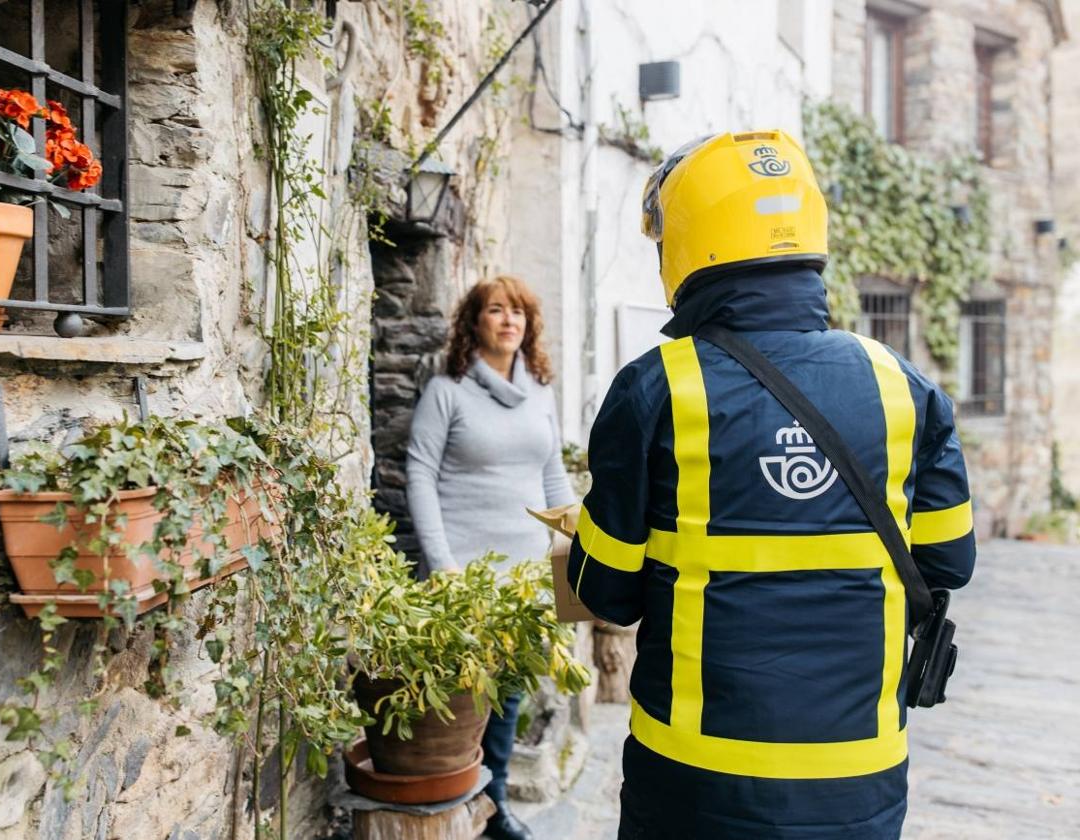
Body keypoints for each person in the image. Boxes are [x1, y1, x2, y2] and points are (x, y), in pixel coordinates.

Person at [568, 130, 976, 840]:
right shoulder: (902, 387)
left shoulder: (657, 388)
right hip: (859, 782)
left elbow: (605, 593)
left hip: (696, 785)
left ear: (689, 245)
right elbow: (949, 564)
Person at [406, 275, 574, 840]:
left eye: (518, 313)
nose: (508, 321)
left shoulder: (541, 393)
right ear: (473, 323)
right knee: (459, 699)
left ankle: (495, 805)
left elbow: (553, 477)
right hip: (462, 574)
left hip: (524, 578)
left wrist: (570, 570)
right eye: (496, 311)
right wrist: (442, 563)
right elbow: (420, 476)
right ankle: (456, 806)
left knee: (507, 696)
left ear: (528, 327)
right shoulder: (446, 391)